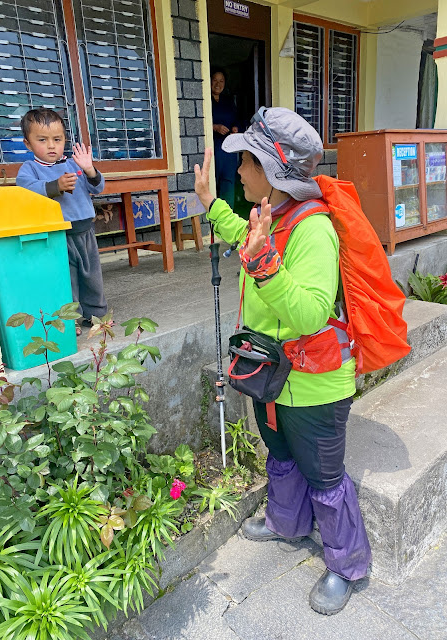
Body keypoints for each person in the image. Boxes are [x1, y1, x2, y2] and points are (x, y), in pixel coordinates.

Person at [194, 107, 371, 616]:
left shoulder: (313, 230)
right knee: (280, 453)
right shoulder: (271, 217)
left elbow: (312, 312)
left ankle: (346, 566)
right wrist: (211, 205)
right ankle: (287, 523)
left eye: (246, 162)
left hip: (314, 385)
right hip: (271, 377)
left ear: (271, 172)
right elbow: (242, 237)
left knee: (325, 477)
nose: (239, 172)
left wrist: (264, 263)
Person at [16, 108, 107, 335]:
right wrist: (55, 186)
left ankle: (96, 315)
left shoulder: (74, 164)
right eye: (42, 140)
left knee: (92, 276)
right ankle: (71, 319)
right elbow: (26, 190)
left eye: (57, 139)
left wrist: (89, 170)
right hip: (58, 235)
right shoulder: (30, 169)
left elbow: (98, 187)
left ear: (64, 140)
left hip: (85, 231)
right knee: (67, 279)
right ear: (28, 144)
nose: (51, 146)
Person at [211, 68, 239, 208]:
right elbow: (197, 123)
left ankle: (228, 220)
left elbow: (238, 119)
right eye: (215, 80)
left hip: (228, 150)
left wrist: (236, 128)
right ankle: (213, 222)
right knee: (213, 184)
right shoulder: (205, 99)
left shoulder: (228, 101)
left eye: (221, 81)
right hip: (213, 148)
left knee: (228, 185)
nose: (218, 84)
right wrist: (214, 127)